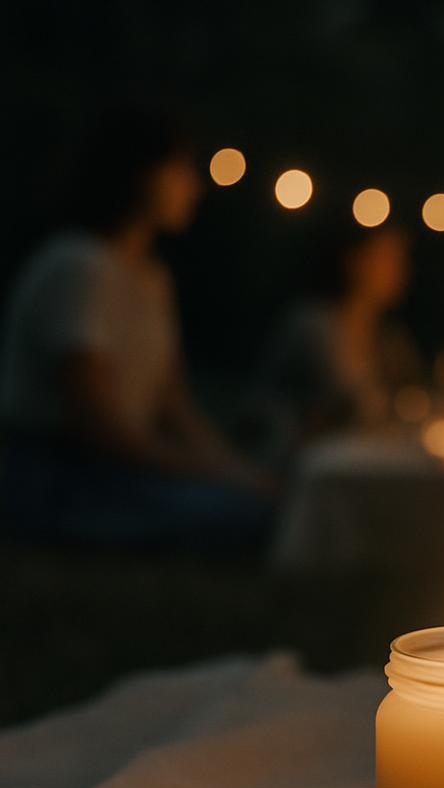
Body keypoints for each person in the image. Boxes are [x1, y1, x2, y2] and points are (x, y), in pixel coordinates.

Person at [0, 106, 273, 550]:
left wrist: (238, 472)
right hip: (60, 479)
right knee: (239, 519)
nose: (195, 187)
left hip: (120, 470)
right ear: (142, 174)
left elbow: (173, 405)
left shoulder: (152, 280)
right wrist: (206, 474)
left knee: (261, 508)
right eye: (182, 168)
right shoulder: (77, 265)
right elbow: (98, 424)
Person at [259, 223, 417, 458]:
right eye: (387, 258)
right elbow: (355, 403)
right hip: (288, 464)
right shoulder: (314, 325)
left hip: (353, 458)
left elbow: (412, 395)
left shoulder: (387, 336)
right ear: (354, 261)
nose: (399, 270)